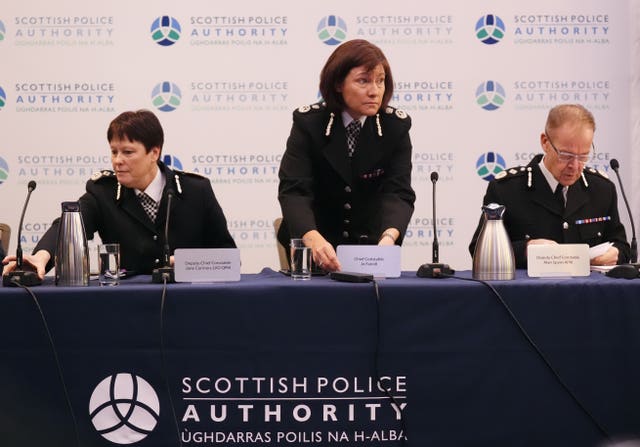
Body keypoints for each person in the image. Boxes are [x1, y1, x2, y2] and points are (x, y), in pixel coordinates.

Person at [2, 109, 236, 278]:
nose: (117, 161)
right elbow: (70, 222)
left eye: (127, 152)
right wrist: (41, 256)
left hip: (190, 302)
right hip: (125, 305)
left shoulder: (196, 191)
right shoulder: (102, 192)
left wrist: (187, 264)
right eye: (113, 151)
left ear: (154, 153)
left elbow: (228, 258)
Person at [277, 39, 416, 272]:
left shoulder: (395, 127)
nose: (374, 91)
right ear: (338, 83)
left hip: (371, 251)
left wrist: (388, 240)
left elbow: (398, 193)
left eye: (380, 81)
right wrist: (312, 239)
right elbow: (294, 191)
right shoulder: (309, 124)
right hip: (316, 251)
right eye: (363, 81)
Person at [469, 103, 630, 268]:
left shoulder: (602, 189)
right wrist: (526, 250)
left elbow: (622, 246)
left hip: (588, 292)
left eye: (583, 156)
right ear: (545, 142)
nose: (575, 166)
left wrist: (616, 253)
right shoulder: (506, 189)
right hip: (528, 292)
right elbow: (479, 252)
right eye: (566, 155)